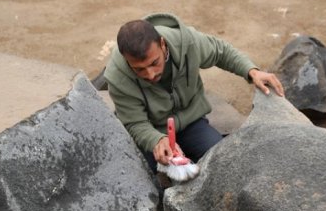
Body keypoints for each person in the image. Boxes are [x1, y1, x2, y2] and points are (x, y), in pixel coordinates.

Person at [103, 13, 284, 172]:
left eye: (154, 63)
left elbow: (221, 52)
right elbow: (135, 123)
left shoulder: (186, 42)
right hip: (153, 129)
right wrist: (156, 141)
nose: (150, 74)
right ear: (127, 61)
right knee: (141, 175)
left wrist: (251, 71)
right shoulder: (118, 76)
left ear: (163, 44)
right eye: (139, 69)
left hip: (191, 123)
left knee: (221, 161)